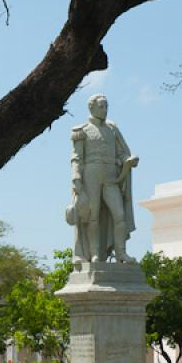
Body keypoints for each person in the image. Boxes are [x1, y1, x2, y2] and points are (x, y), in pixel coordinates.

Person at [66, 94, 138, 264]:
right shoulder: (81, 130)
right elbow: (77, 157)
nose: (105, 110)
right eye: (101, 106)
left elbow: (122, 152)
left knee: (119, 214)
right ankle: (95, 254)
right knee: (93, 216)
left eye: (106, 106)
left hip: (111, 175)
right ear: (91, 108)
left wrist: (127, 160)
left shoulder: (112, 129)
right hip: (91, 174)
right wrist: (76, 176)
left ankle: (121, 253)